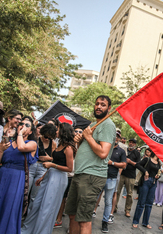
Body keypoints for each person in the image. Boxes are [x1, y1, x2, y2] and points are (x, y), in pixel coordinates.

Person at [65, 95, 116, 234]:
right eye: (97, 103)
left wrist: (87, 137)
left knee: (84, 219)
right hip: (80, 174)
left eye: (103, 104)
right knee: (73, 215)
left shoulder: (108, 125)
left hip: (92, 176)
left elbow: (103, 153)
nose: (99, 106)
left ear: (109, 108)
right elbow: (87, 148)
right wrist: (79, 140)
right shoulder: (93, 125)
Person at [21, 123, 76, 234]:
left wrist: (52, 165)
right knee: (37, 203)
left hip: (59, 178)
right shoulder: (59, 144)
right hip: (49, 176)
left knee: (47, 207)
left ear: (63, 131)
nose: (56, 131)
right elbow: (55, 161)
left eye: (58, 129)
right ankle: (29, 229)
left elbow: (69, 168)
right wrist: (43, 176)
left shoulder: (69, 148)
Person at [0, 116, 37, 234]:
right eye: (21, 123)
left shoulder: (32, 143)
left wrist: (19, 134)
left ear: (30, 131)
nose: (23, 126)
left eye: (27, 125)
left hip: (16, 178)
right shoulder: (8, 143)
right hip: (1, 176)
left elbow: (21, 147)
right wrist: (0, 150)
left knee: (9, 206)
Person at [54, 126, 83, 228]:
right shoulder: (65, 145)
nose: (78, 133)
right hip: (62, 174)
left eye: (80, 132)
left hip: (74, 175)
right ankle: (58, 218)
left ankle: (69, 224)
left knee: (70, 199)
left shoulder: (82, 146)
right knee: (61, 198)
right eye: (76, 131)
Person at [27, 124, 57, 215]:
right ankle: (19, 215)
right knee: (25, 192)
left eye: (50, 137)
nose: (47, 138)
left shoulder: (53, 143)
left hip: (42, 168)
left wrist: (48, 159)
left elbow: (54, 158)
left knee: (34, 196)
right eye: (46, 136)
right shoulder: (36, 139)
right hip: (32, 165)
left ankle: (29, 217)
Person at [101, 130, 127, 233]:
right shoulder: (105, 146)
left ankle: (105, 222)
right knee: (94, 198)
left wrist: (112, 163)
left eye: (118, 137)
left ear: (120, 139)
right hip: (100, 176)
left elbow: (124, 165)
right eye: (114, 136)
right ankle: (88, 217)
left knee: (108, 201)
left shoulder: (121, 151)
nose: (116, 138)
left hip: (111, 178)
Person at [132, 151, 161, 229]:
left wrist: (158, 176)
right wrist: (145, 171)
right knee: (141, 202)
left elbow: (159, 173)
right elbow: (137, 164)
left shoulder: (159, 163)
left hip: (154, 183)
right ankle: (135, 221)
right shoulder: (147, 159)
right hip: (145, 181)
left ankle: (145, 222)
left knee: (149, 203)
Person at [115, 138, 141, 217]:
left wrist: (130, 162)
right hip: (122, 173)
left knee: (129, 194)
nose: (131, 144)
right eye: (130, 142)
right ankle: (114, 207)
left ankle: (127, 210)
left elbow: (138, 165)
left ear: (135, 144)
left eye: (133, 143)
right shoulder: (124, 150)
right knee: (117, 191)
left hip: (131, 175)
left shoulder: (137, 153)